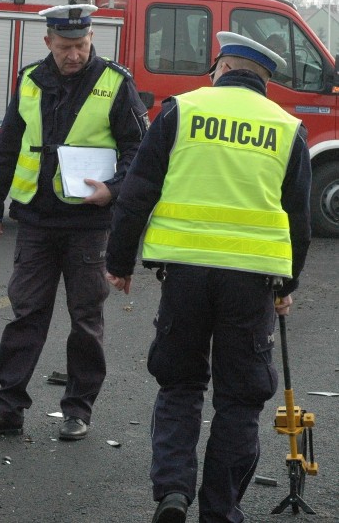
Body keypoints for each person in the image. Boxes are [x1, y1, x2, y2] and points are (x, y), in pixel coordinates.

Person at [105, 32, 311, 523]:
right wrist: (288, 285)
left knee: (179, 384)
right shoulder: (287, 127)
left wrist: (119, 261)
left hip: (184, 275)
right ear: (265, 80)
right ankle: (220, 511)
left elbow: (138, 191)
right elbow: (297, 221)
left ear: (220, 67)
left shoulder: (182, 110)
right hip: (252, 281)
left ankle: (173, 492)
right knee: (240, 399)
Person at [0, 4, 148, 441]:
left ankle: (78, 411)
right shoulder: (30, 80)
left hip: (88, 223)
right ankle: (7, 409)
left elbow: (139, 149)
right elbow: (7, 144)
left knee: (85, 319)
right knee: (26, 314)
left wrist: (114, 190)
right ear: (48, 43)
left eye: (81, 45)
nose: (74, 55)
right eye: (65, 47)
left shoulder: (115, 83)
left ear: (91, 38)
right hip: (37, 220)